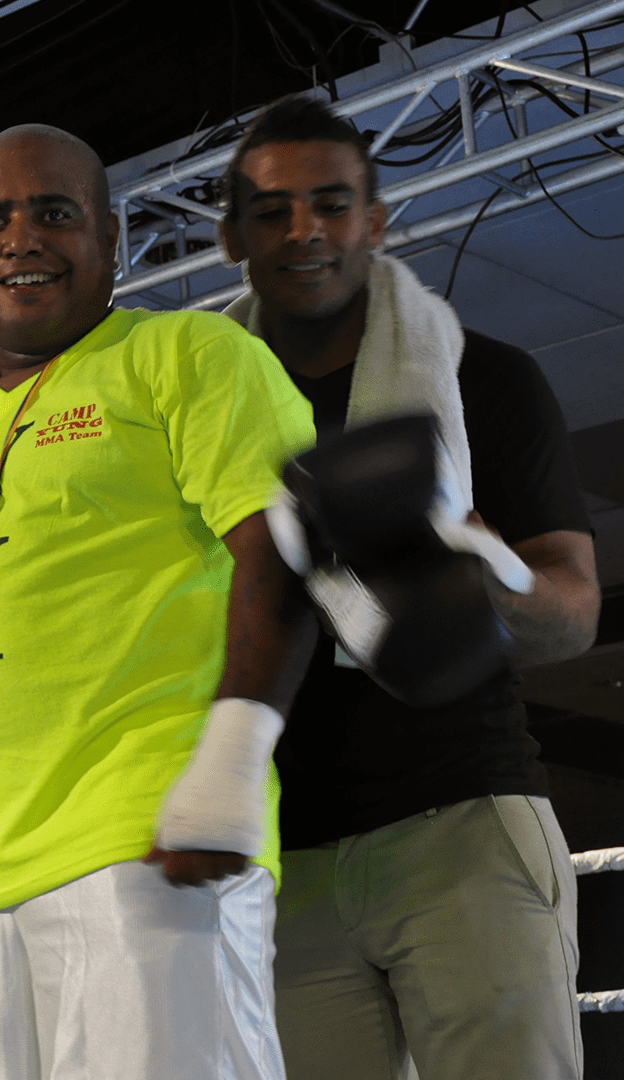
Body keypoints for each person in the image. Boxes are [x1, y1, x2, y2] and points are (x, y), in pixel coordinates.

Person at [0, 124, 317, 1080]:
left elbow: (286, 554)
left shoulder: (189, 353)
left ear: (110, 238)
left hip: (150, 843)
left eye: (53, 213)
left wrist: (233, 761)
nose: (21, 240)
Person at [215, 95, 598, 1080]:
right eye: (272, 211)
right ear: (231, 238)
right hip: (284, 857)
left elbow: (574, 614)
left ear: (375, 220)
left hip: (462, 818)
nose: (304, 230)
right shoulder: (196, 414)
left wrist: (479, 578)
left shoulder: (486, 379)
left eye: (331, 203)